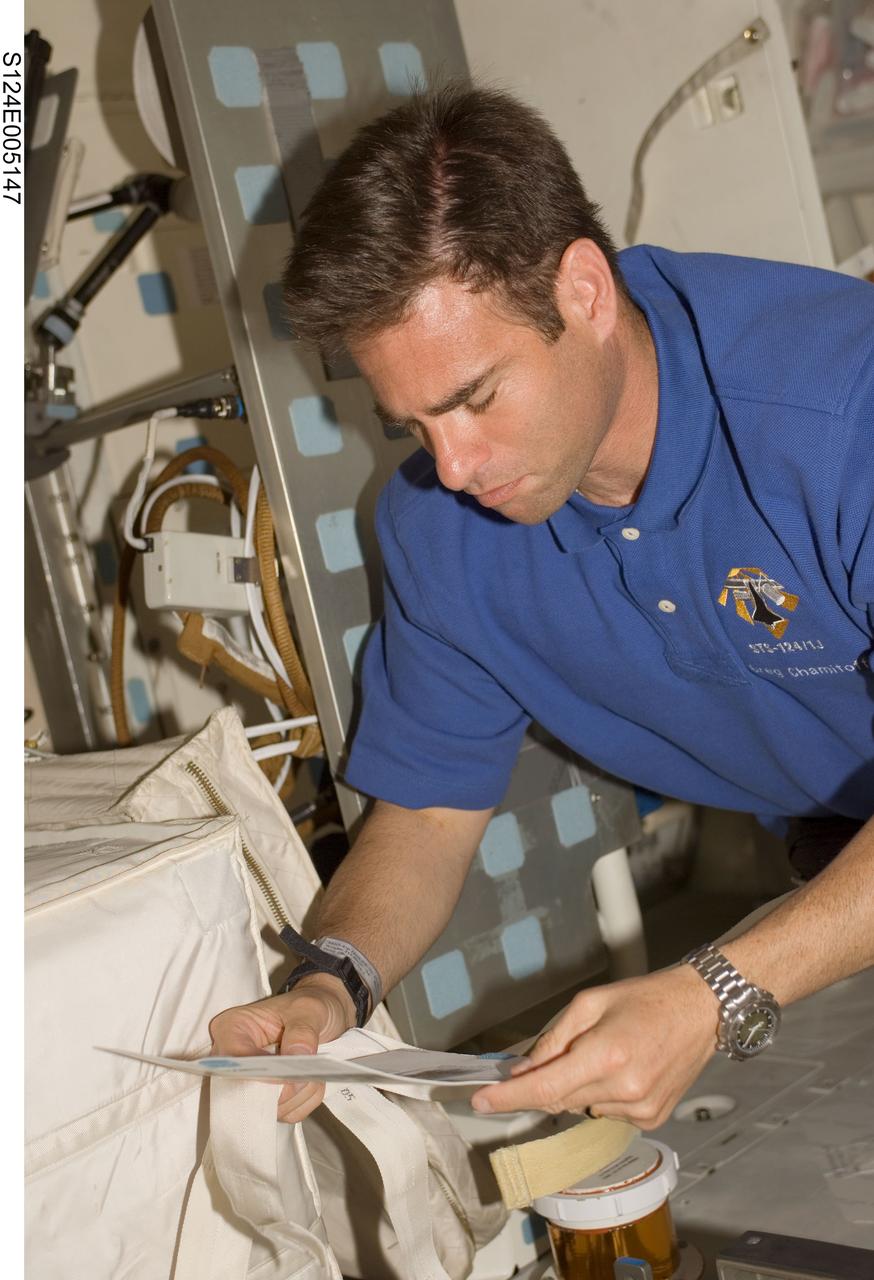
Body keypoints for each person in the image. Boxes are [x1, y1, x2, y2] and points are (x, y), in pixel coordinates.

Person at [210, 83, 874, 1129]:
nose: (455, 464)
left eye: (474, 396)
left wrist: (715, 990)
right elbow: (426, 815)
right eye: (412, 425)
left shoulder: (843, 402)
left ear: (582, 291)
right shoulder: (441, 533)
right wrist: (328, 980)